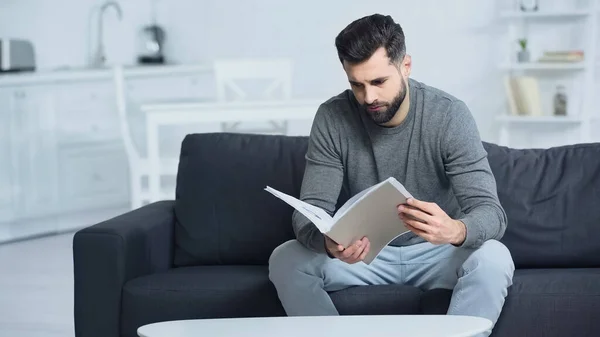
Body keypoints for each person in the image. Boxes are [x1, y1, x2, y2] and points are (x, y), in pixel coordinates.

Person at [268, 13, 514, 337]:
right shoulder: (332, 117)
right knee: (285, 259)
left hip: (436, 253)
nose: (368, 97)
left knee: (495, 258)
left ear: (406, 66)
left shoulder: (449, 115)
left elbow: (491, 213)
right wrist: (329, 243)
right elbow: (309, 212)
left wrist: (455, 230)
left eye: (378, 82)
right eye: (356, 84)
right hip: (363, 257)